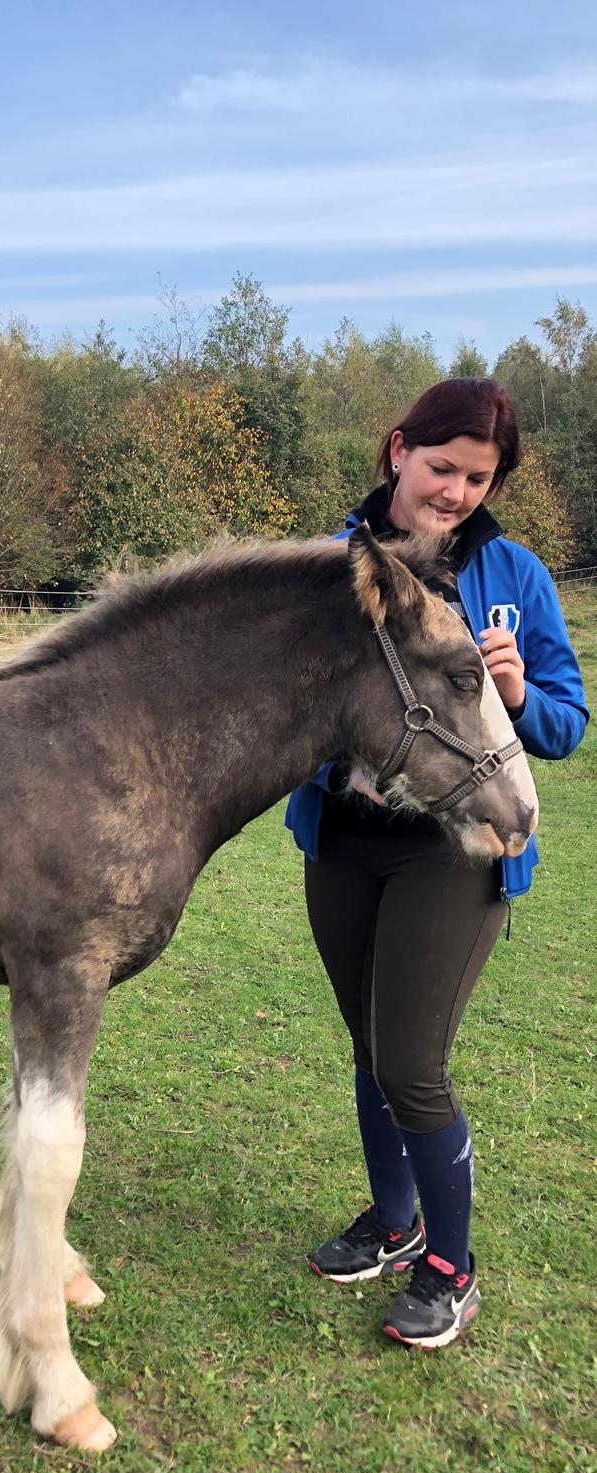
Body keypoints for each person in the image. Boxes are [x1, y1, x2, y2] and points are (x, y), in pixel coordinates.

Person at [285, 378, 588, 1348]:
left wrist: (516, 689)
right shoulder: (332, 568)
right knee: (373, 1052)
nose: (455, 490)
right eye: (442, 467)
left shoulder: (517, 577)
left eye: (477, 476)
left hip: (453, 856)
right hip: (343, 843)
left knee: (414, 1062)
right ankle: (393, 1220)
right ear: (397, 451)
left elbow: (567, 723)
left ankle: (451, 1271)